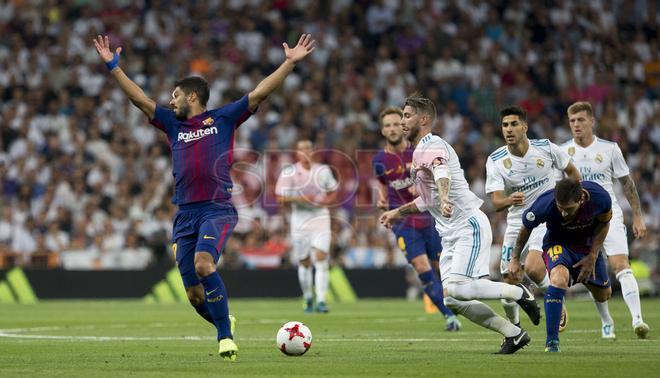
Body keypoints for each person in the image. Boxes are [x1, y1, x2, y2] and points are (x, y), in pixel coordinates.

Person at [93, 34, 315, 361]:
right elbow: (139, 99)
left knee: (204, 264)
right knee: (195, 295)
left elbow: (260, 92)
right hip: (185, 215)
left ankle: (225, 337)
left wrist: (289, 62)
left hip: (217, 208)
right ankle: (223, 319)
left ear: (193, 96)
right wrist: (113, 66)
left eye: (176, 95)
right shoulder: (171, 124)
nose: (171, 101)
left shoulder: (223, 118)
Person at [379, 95, 540, 354]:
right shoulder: (417, 152)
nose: (402, 120)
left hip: (468, 225)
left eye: (407, 115)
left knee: (458, 288)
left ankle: (518, 293)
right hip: (450, 233)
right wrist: (396, 212)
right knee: (452, 299)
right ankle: (514, 333)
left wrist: (444, 198)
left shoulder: (432, 145)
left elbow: (441, 172)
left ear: (424, 119)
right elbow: (427, 198)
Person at [559, 101, 649, 339]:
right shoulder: (562, 151)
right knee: (590, 275)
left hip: (609, 215)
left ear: (591, 121)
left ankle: (637, 320)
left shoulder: (610, 149)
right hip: (579, 220)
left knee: (621, 265)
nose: (576, 125)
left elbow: (627, 184)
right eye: (572, 121)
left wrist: (638, 216)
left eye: (580, 120)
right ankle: (606, 321)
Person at [486, 106, 580, 329]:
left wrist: (570, 199)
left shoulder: (546, 148)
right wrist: (510, 199)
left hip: (545, 219)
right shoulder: (496, 160)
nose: (509, 129)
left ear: (525, 127)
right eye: (505, 125)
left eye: (514, 124)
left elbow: (574, 174)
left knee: (534, 268)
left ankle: (556, 299)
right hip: (517, 222)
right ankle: (514, 331)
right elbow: (496, 202)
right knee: (509, 282)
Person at [372, 106, 461, 331]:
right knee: (422, 267)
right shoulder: (379, 160)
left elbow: (438, 174)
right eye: (387, 126)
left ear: (403, 126)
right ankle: (449, 316)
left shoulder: (418, 152)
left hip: (429, 218)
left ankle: (458, 303)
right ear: (382, 131)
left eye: (395, 124)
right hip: (403, 223)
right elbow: (383, 184)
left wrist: (422, 188)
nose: (392, 129)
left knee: (442, 268)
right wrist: (382, 200)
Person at [509, 178, 613, 352]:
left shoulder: (600, 197)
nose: (564, 213)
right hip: (558, 244)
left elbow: (604, 224)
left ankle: (603, 314)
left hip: (587, 247)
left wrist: (593, 255)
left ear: (581, 199)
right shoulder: (546, 203)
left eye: (569, 209)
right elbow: (525, 228)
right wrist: (514, 258)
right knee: (558, 279)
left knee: (604, 294)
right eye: (560, 208)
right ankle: (552, 342)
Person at [275, 139, 338, 313]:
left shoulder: (323, 171)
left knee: (321, 258)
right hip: (300, 220)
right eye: (301, 149)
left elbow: (333, 192)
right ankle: (308, 297)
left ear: (313, 150)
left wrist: (325, 201)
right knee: (304, 261)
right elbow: (279, 197)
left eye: (308, 148)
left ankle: (322, 301)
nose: (305, 151)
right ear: (296, 153)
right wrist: (301, 199)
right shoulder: (290, 172)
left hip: (320, 217)